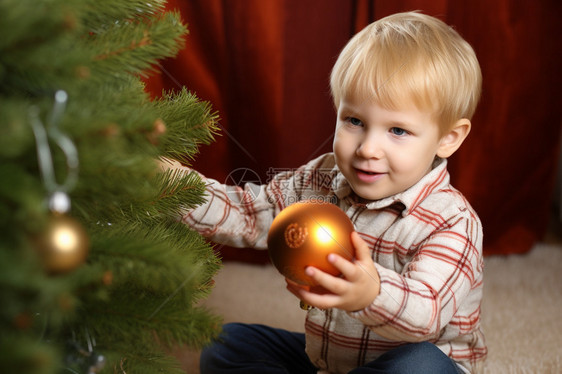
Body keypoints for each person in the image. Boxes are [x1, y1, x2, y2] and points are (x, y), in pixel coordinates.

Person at [181, 11, 487, 374]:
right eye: (355, 121)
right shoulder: (322, 178)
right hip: (331, 360)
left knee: (420, 367)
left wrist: (371, 293)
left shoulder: (452, 221)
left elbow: (427, 314)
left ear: (447, 138)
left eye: (398, 131)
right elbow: (251, 213)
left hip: (419, 362)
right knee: (225, 344)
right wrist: (177, 188)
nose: (368, 148)